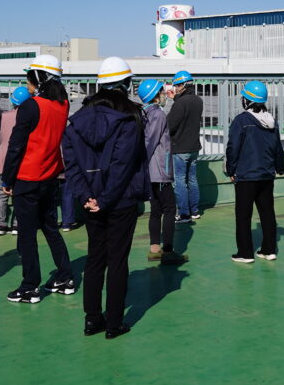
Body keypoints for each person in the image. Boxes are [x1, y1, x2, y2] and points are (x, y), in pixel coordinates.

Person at [64, 56, 151, 340]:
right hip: (121, 200)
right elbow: (122, 166)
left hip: (90, 201)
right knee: (117, 261)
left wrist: (87, 196)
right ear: (126, 83)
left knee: (95, 258)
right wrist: (105, 198)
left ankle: (92, 319)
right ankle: (114, 323)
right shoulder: (129, 118)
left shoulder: (77, 120)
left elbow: (72, 164)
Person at [0, 54, 75, 304]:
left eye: (30, 78)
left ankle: (30, 286)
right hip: (50, 176)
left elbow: (16, 146)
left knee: (27, 235)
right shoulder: (62, 105)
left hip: (28, 177)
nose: (28, 83)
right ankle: (65, 277)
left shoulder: (31, 106)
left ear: (40, 79)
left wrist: (7, 180)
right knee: (50, 228)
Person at [226, 81, 284, 264]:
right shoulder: (271, 121)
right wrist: (280, 167)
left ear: (248, 100)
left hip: (246, 175)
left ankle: (245, 253)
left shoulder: (241, 121)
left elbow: (233, 147)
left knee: (243, 215)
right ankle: (269, 250)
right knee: (267, 213)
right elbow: (278, 147)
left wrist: (231, 169)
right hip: (267, 174)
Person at [138, 78, 186, 264]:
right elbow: (150, 141)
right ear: (154, 96)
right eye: (160, 92)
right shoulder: (157, 114)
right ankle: (167, 251)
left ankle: (154, 249)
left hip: (152, 172)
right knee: (169, 209)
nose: (164, 94)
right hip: (159, 171)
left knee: (156, 210)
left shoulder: (145, 112)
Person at [0, 86, 32, 235]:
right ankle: (17, 225)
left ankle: (0, 225)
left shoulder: (4, 116)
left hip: (5, 158)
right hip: (23, 159)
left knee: (2, 193)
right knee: (19, 192)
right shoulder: (30, 117)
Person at [167, 70, 203, 223]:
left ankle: (184, 214)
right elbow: (186, 110)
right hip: (194, 147)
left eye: (176, 86)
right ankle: (194, 211)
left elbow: (170, 125)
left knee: (180, 181)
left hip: (180, 148)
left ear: (182, 85)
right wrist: (176, 99)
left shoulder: (180, 103)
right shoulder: (198, 100)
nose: (175, 88)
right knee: (192, 179)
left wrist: (175, 101)